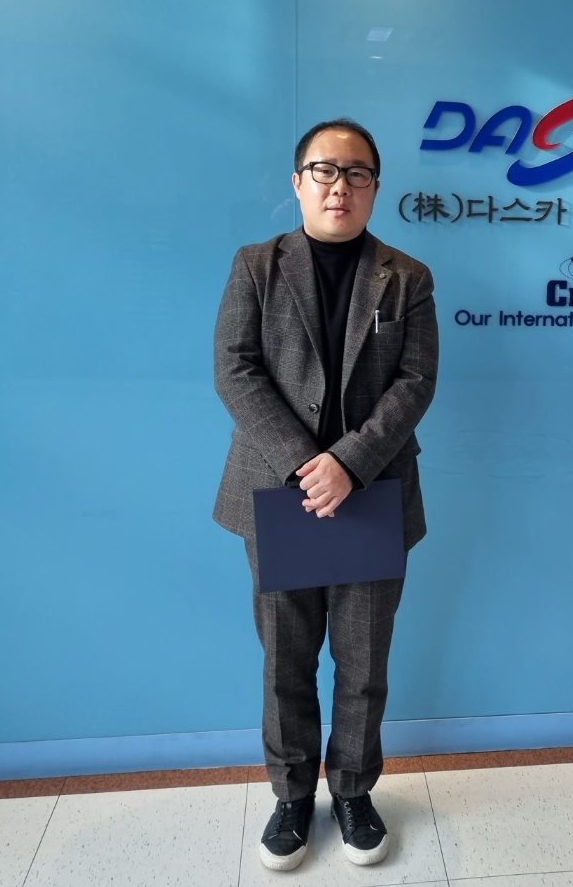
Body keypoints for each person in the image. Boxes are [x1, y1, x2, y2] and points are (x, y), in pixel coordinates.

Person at [212, 119, 438, 871]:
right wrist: (308, 463)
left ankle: (352, 791)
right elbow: (235, 369)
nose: (340, 186)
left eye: (357, 173)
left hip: (372, 494)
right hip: (279, 497)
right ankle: (289, 796)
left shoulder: (407, 277)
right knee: (285, 660)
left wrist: (350, 463)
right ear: (297, 181)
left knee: (364, 663)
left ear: (375, 186)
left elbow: (416, 381)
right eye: (324, 170)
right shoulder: (256, 265)